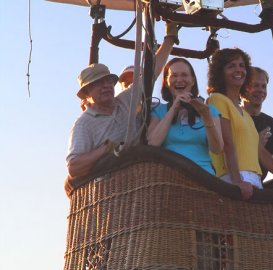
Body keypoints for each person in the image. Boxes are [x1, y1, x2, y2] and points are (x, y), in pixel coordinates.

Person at [66, 22, 178, 179]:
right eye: (98, 83)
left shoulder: (126, 100)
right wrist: (106, 148)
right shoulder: (84, 124)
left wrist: (170, 38)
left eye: (108, 81)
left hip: (140, 178)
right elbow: (74, 168)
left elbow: (151, 73)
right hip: (111, 189)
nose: (106, 86)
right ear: (87, 94)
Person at [207, 48, 273, 199]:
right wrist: (237, 181)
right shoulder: (217, 100)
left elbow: (260, 152)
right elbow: (226, 143)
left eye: (241, 65)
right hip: (233, 178)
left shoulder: (244, 114)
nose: (238, 69)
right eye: (231, 66)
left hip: (253, 179)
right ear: (220, 72)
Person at [147, 58, 223, 175]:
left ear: (192, 80)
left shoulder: (208, 110)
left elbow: (217, 148)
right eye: (174, 76)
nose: (179, 80)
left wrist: (207, 117)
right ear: (166, 82)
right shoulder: (159, 110)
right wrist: (173, 109)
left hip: (203, 176)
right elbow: (152, 144)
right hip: (168, 176)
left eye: (184, 75)